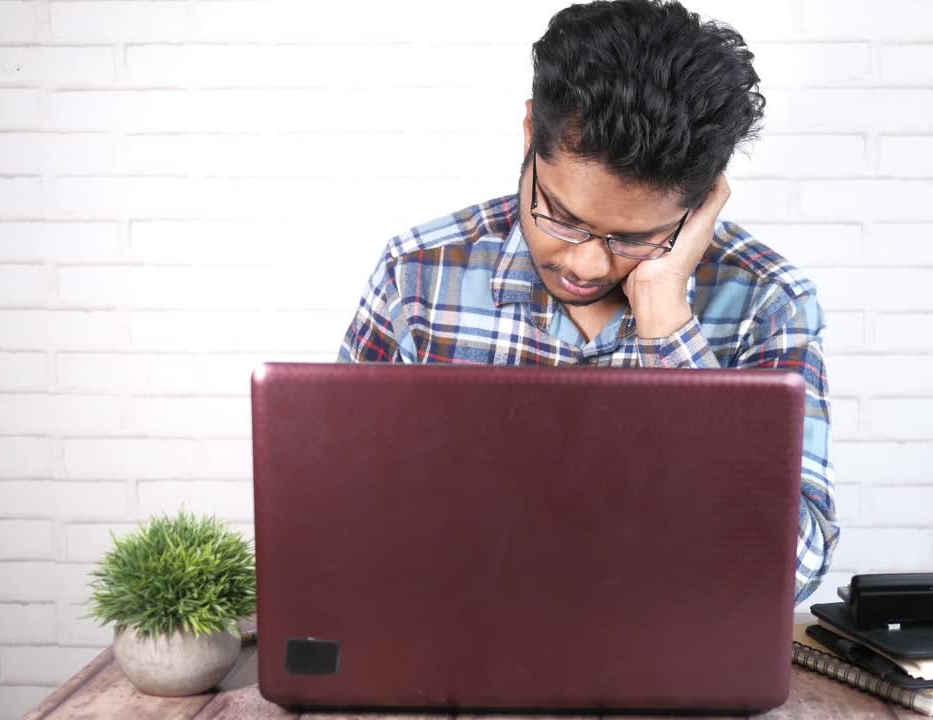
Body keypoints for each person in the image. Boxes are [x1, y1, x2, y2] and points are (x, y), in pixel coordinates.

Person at [337, 0, 838, 601]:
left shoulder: (768, 303)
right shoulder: (418, 273)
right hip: (451, 633)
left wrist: (667, 321)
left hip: (666, 647)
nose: (586, 265)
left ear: (702, 203)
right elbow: (335, 506)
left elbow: (787, 575)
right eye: (563, 218)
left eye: (635, 237)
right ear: (530, 134)